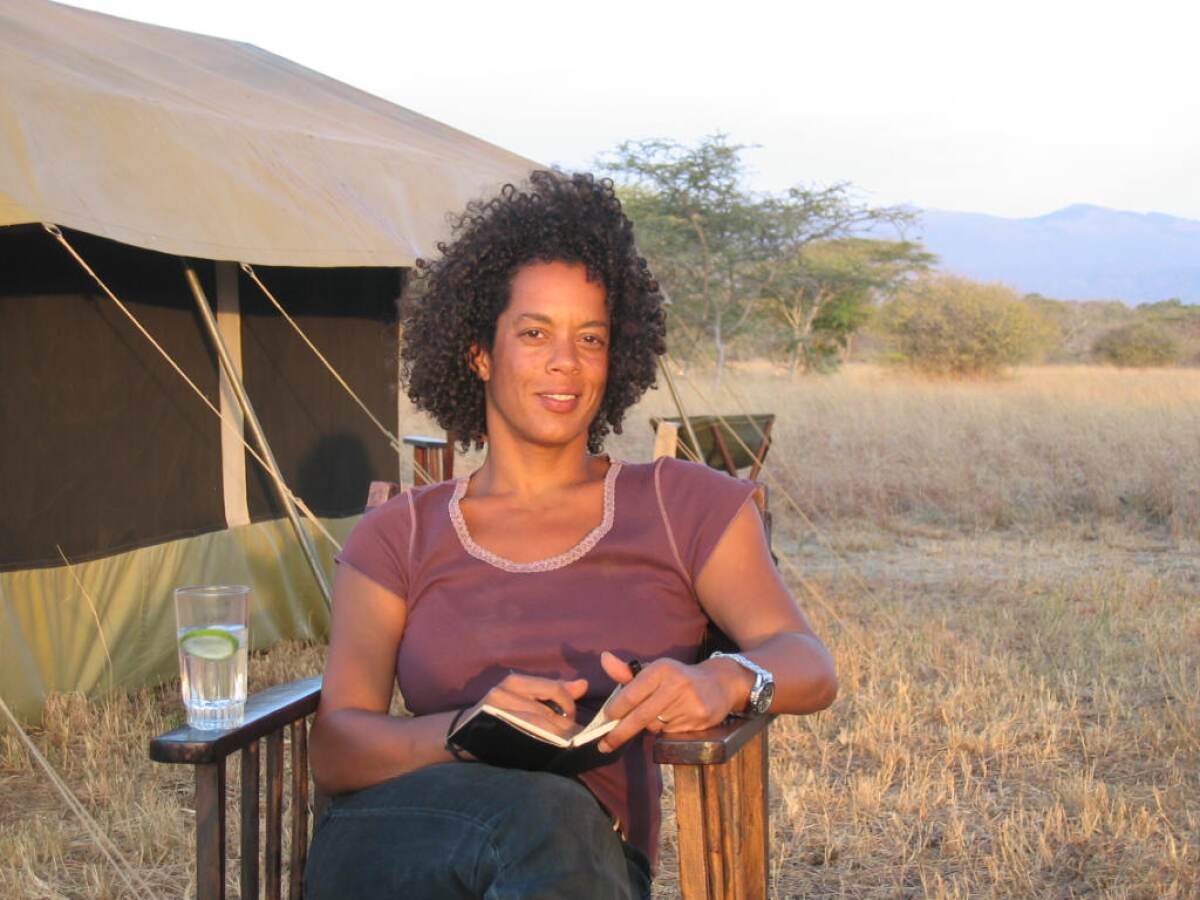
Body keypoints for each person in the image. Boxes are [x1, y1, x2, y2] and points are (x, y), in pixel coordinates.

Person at [304, 171, 837, 899]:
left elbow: (809, 665)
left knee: (554, 821)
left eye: (590, 337)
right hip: (401, 841)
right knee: (539, 813)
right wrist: (465, 730)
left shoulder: (682, 507)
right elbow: (336, 750)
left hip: (583, 865)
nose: (566, 362)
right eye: (533, 333)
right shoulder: (397, 536)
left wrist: (722, 678)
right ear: (479, 353)